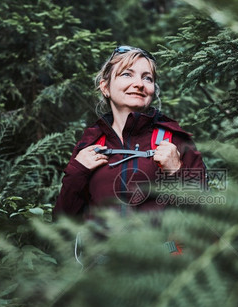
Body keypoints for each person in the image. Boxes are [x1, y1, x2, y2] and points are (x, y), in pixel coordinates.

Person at [53, 46, 205, 219]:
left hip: (159, 246)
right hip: (101, 247)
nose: (139, 84)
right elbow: (61, 222)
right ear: (105, 87)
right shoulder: (90, 144)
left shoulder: (174, 140)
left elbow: (206, 218)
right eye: (127, 74)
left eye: (147, 78)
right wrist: (77, 172)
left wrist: (177, 171)